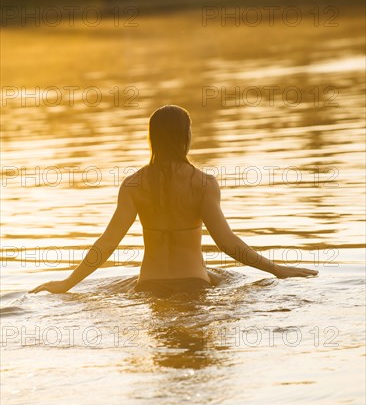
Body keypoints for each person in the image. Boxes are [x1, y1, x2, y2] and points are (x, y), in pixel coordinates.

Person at [30, 105, 318, 294]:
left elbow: (107, 243)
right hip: (194, 286)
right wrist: (278, 269)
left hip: (148, 287)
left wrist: (67, 283)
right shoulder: (203, 183)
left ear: (152, 138)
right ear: (186, 136)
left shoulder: (133, 185)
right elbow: (227, 243)